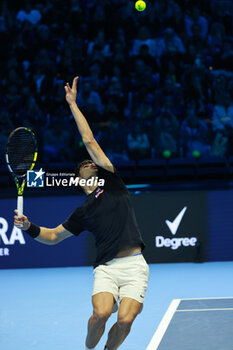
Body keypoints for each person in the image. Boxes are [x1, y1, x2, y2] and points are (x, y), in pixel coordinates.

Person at [14, 76, 149, 350]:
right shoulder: (82, 211)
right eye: (85, 164)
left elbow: (88, 139)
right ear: (78, 179)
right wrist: (29, 226)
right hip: (107, 269)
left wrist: (73, 104)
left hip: (135, 266)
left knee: (124, 321)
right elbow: (52, 237)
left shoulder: (112, 181)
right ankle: (89, 347)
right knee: (101, 315)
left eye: (93, 162)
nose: (91, 162)